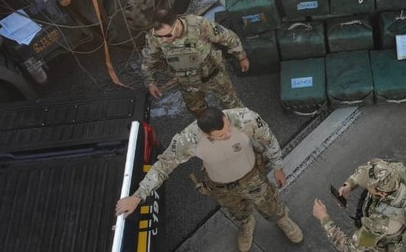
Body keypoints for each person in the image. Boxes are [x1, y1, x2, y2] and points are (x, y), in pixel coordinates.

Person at [116, 107, 304, 251]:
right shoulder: (189, 140)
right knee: (238, 211)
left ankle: (281, 219)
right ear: (207, 134)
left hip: (252, 177)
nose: (229, 134)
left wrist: (278, 166)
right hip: (222, 187)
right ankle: (247, 224)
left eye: (227, 127)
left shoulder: (245, 119)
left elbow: (268, 140)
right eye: (222, 135)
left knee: (271, 205)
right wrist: (138, 195)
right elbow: (163, 166)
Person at [142, 9, 249, 116]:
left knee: (233, 106)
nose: (164, 40)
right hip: (186, 83)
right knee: (198, 111)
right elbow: (149, 58)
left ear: (177, 23)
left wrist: (242, 57)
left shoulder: (200, 25)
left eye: (168, 35)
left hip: (214, 76)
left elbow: (228, 37)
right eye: (160, 36)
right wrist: (150, 82)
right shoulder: (155, 36)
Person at [312, 158, 406, 252]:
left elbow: (350, 248)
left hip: (381, 243)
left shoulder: (379, 223)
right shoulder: (394, 171)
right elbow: (367, 169)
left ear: (382, 194)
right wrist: (349, 185)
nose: (365, 185)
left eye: (368, 186)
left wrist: (324, 219)